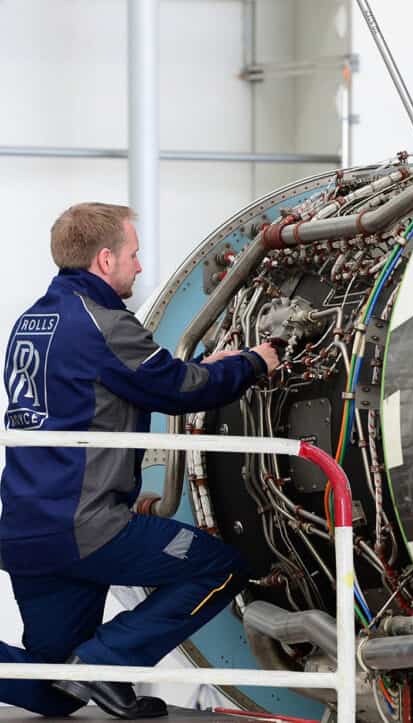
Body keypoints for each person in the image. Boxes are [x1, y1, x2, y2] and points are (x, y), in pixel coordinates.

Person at [0, 203, 280, 719]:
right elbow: (175, 392)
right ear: (105, 260)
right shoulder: (104, 323)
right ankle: (108, 663)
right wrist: (252, 362)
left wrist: (194, 369)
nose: (140, 266)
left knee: (56, 686)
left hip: (25, 530)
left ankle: (94, 671)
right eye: (134, 253)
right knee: (219, 569)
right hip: (88, 528)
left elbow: (116, 384)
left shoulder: (32, 321)